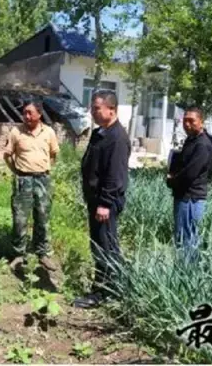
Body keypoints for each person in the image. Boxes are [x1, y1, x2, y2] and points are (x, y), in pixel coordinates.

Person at [75, 91, 131, 309]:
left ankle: (104, 292)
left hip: (105, 203)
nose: (93, 112)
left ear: (111, 109)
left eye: (97, 108)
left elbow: (115, 175)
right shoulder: (101, 133)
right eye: (92, 108)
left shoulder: (117, 138)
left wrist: (105, 203)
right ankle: (110, 288)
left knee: (106, 246)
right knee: (100, 244)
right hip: (96, 200)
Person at [4, 101, 60, 272]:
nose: (26, 116)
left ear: (39, 114)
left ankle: (42, 253)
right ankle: (19, 255)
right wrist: (18, 171)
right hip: (23, 180)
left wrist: (43, 168)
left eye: (30, 113)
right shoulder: (16, 132)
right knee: (20, 219)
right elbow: (7, 155)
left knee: (42, 217)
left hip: (42, 180)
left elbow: (53, 154)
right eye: (24, 113)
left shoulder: (49, 132)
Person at [166, 106, 212, 263]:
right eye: (185, 120)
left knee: (187, 239)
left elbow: (190, 173)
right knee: (181, 237)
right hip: (183, 196)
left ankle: (188, 275)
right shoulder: (191, 140)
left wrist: (172, 180)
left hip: (191, 198)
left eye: (191, 121)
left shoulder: (202, 144)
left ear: (201, 122)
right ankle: (184, 273)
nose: (187, 124)